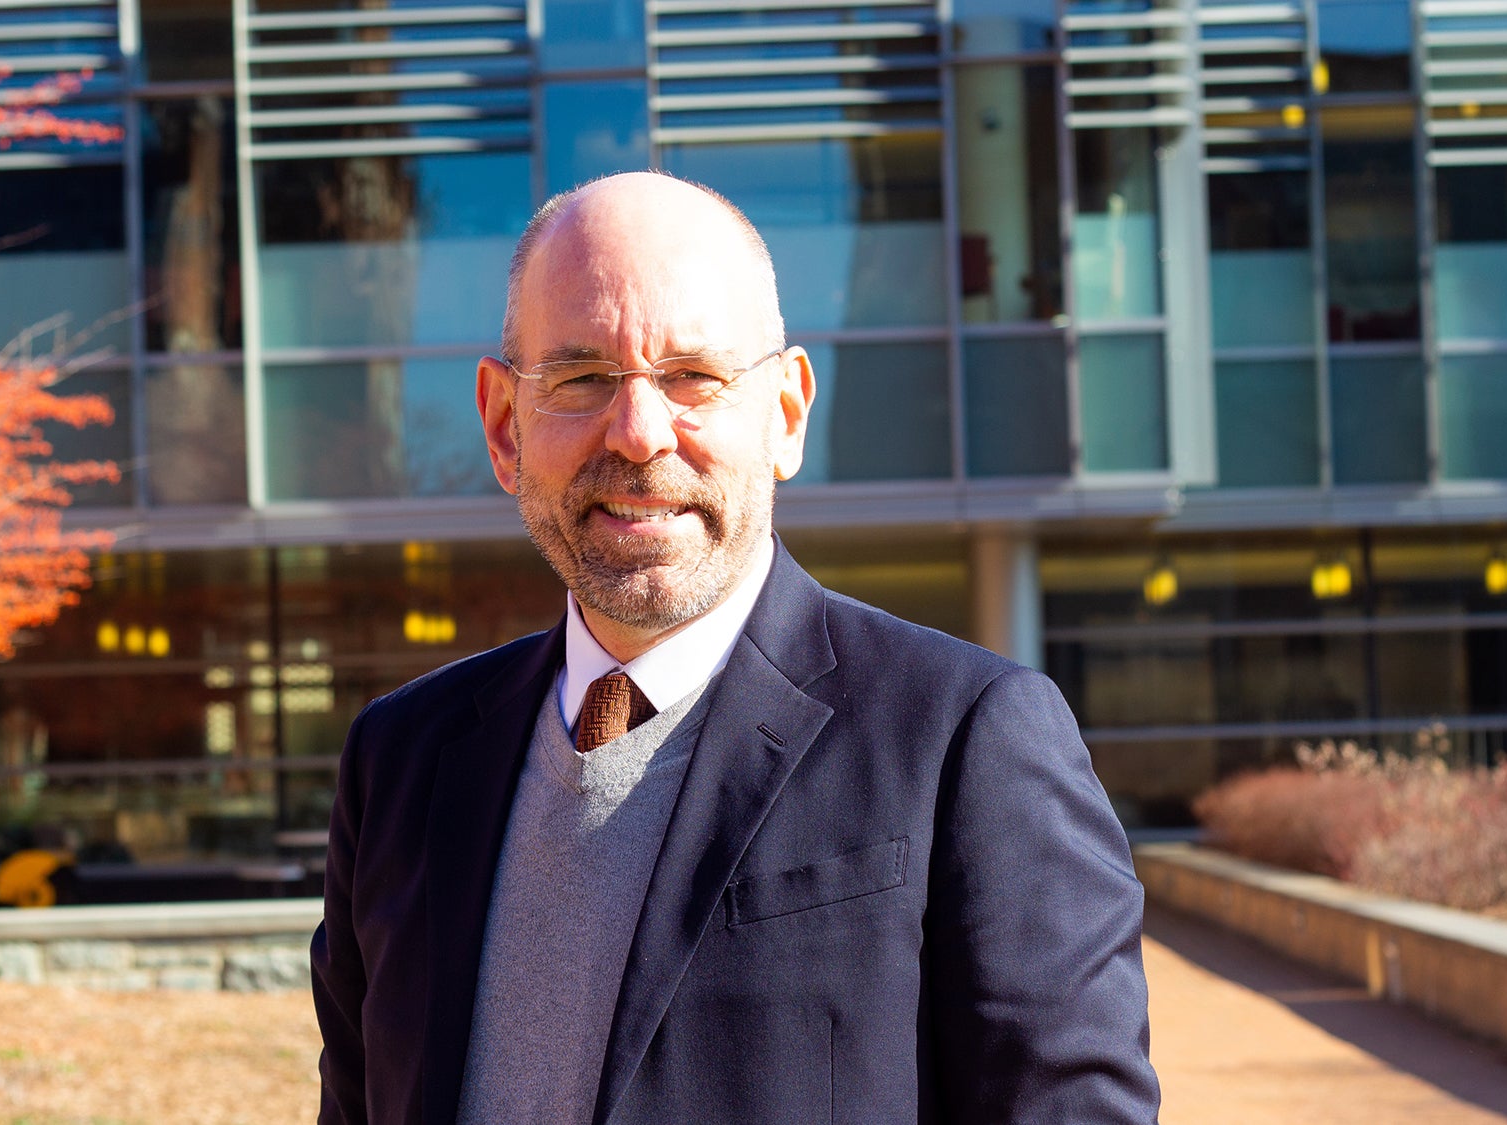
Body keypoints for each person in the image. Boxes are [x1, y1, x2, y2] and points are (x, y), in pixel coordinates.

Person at [311, 171, 1161, 1124]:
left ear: (787, 413)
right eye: (584, 377)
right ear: (506, 426)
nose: (637, 434)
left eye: (694, 377)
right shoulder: (399, 761)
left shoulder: (965, 739)